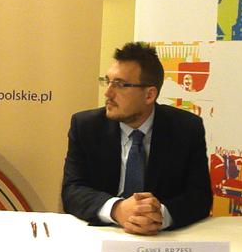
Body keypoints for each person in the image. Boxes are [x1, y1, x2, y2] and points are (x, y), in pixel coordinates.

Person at [61, 42, 214, 235]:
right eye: (107, 81)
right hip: (103, 233)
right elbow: (72, 190)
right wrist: (117, 209)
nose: (107, 93)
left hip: (161, 239)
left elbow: (200, 196)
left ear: (149, 95)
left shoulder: (185, 128)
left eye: (120, 84)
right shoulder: (86, 126)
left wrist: (160, 215)